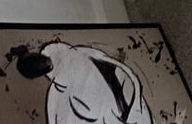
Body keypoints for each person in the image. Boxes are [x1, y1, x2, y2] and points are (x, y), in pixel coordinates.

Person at [10, 40, 153, 123]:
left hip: (128, 108)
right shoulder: (57, 97)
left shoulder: (80, 56)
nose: (38, 65)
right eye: (34, 68)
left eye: (33, 63)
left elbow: (121, 77)